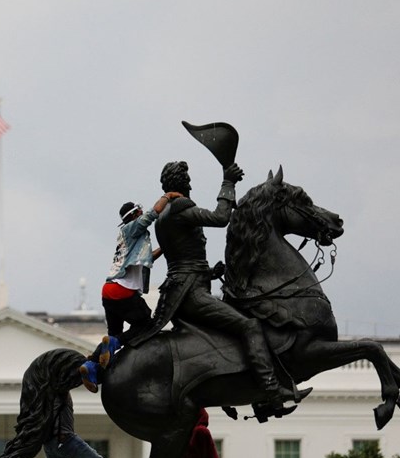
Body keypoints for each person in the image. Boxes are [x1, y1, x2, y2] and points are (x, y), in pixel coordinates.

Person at [130, 161, 308, 409]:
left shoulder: (164, 217)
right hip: (190, 294)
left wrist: (210, 273)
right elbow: (221, 217)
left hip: (184, 288)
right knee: (249, 325)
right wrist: (228, 182)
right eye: (188, 180)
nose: (191, 184)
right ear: (183, 184)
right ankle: (270, 390)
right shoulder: (180, 208)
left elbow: (183, 260)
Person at [79, 192, 181, 392]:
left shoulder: (126, 236)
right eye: (139, 211)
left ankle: (90, 365)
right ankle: (115, 342)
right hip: (123, 291)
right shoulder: (133, 227)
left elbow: (145, 258)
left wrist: (165, 248)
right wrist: (167, 196)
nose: (142, 213)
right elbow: (153, 214)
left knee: (113, 335)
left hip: (109, 291)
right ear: (134, 215)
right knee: (147, 325)